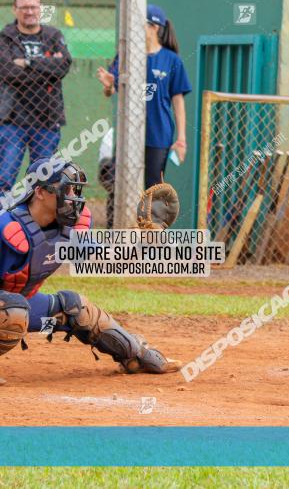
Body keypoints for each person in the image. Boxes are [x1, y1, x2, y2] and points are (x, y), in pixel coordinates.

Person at [0, 158, 181, 386]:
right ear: (40, 192)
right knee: (12, 313)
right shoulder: (7, 228)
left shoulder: (70, 229)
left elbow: (107, 254)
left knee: (75, 310)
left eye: (75, 189)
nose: (73, 196)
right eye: (65, 189)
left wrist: (141, 243)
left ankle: (135, 355)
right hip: (8, 313)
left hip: (23, 313)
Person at [96, 4, 191, 190]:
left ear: (154, 27)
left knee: (153, 188)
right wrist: (108, 86)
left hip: (158, 135)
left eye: (139, 24)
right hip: (128, 133)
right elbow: (111, 90)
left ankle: (149, 220)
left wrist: (181, 139)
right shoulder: (125, 56)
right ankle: (117, 220)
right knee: (118, 186)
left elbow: (178, 102)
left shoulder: (172, 60)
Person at [0, 0, 72, 195]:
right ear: (15, 9)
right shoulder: (5, 37)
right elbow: (8, 72)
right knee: (4, 179)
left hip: (46, 122)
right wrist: (47, 68)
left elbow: (63, 66)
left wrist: (28, 63)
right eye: (24, 7)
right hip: (12, 121)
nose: (29, 12)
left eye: (33, 7)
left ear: (40, 9)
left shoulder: (53, 35)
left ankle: (36, 225)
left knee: (43, 183)